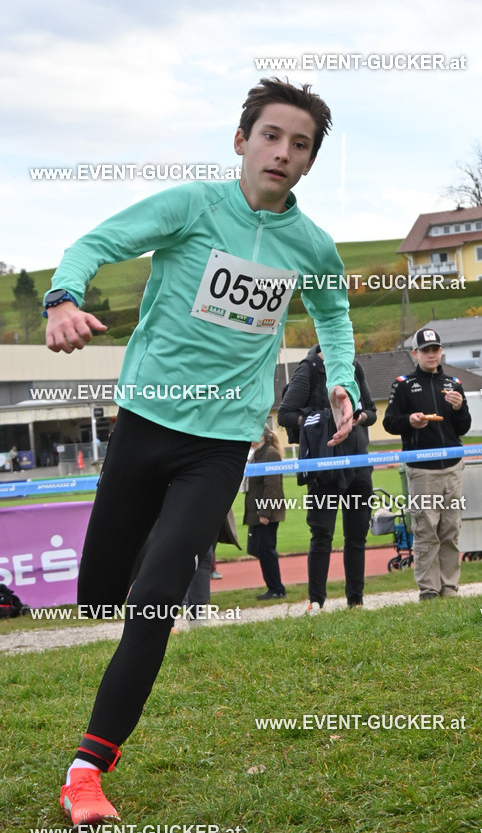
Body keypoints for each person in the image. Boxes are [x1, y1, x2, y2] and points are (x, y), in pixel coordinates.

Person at [42, 78, 358, 827]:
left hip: (219, 444)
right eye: (271, 136)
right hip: (146, 422)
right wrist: (62, 297)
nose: (282, 153)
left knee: (156, 597)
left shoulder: (310, 246)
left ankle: (87, 769)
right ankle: (130, 569)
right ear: (242, 140)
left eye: (300, 144)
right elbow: (92, 244)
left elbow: (334, 312)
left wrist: (341, 378)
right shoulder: (191, 207)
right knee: (100, 592)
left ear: (310, 162)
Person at [278, 346, 376, 611]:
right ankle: (316, 601)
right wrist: (323, 418)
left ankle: (356, 600)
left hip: (357, 463)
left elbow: (372, 412)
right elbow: (285, 413)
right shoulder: (308, 368)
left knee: (357, 535)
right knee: (322, 535)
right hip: (324, 466)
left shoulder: (353, 367)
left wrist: (358, 417)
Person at [383, 327, 471, 600]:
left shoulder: (454, 384)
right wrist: (409, 420)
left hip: (453, 467)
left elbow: (464, 427)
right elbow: (389, 423)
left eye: (435, 350)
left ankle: (450, 587)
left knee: (451, 529)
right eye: (426, 350)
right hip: (422, 469)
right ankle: (429, 589)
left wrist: (459, 408)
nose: (431, 355)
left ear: (441, 351)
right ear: (415, 354)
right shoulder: (403, 384)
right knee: (425, 530)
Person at [243, 425, 287, 600]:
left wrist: (265, 513)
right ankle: (274, 587)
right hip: (256, 511)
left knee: (266, 550)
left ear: (261, 436)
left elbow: (272, 486)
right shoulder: (257, 455)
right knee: (259, 549)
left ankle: (276, 588)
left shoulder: (270, 454)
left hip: (265, 512)